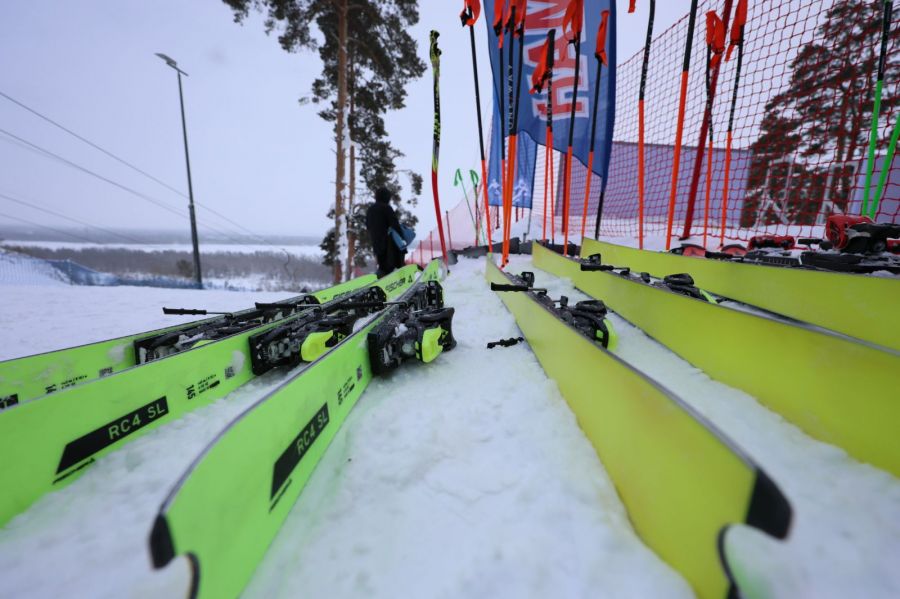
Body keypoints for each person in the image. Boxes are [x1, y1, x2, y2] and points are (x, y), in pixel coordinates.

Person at [366, 187, 406, 277]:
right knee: (394, 263)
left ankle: (381, 280)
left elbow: (368, 225)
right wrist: (402, 237)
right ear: (387, 197)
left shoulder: (370, 209)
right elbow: (395, 225)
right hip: (388, 243)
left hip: (376, 242)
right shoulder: (387, 208)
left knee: (382, 266)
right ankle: (400, 279)